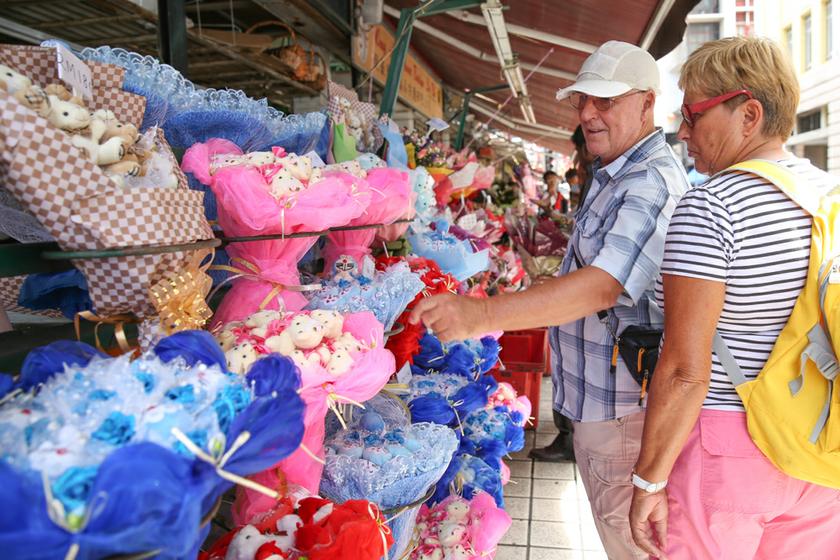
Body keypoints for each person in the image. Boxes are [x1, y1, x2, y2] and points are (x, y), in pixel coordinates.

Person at [410, 40, 689, 559]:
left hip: (623, 416)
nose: (587, 113)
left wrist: (484, 313)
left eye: (604, 101)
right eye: (583, 99)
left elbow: (605, 283)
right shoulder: (617, 172)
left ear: (647, 103)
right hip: (601, 409)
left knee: (632, 543)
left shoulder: (650, 182)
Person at [629, 36, 840, 559]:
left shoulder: (711, 205)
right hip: (821, 447)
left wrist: (650, 480)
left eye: (694, 114)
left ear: (748, 114)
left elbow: (684, 370)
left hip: (727, 450)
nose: (682, 132)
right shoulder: (828, 194)